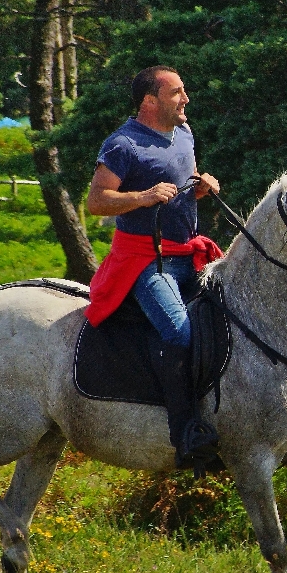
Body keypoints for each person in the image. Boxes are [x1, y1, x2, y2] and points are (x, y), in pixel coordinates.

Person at [85, 65, 224, 472]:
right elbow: (96, 202)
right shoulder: (122, 145)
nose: (186, 99)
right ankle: (185, 432)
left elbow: (186, 176)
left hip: (189, 254)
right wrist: (143, 197)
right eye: (177, 92)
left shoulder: (184, 133)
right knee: (179, 333)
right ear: (151, 101)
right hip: (146, 261)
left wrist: (200, 185)